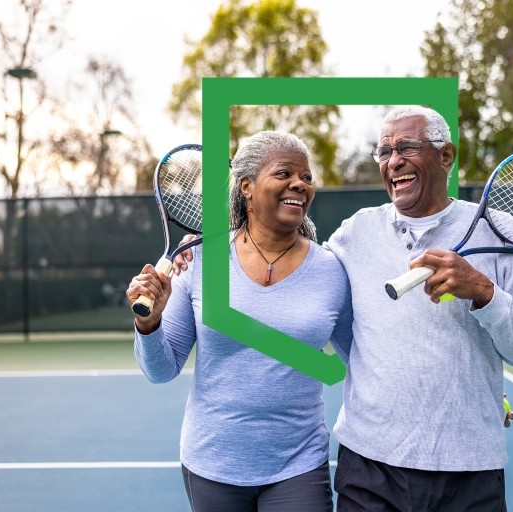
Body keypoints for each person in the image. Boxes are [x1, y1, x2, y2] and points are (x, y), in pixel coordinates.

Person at [325, 105, 513, 511]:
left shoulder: (502, 232)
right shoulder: (354, 233)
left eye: (406, 147)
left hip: (469, 469)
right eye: (384, 152)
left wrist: (483, 292)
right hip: (369, 468)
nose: (393, 161)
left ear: (446, 156)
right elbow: (307, 284)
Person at [126, 131, 353, 512]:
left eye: (307, 178)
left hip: (298, 463)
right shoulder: (199, 261)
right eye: (285, 173)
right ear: (246, 186)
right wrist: (149, 325)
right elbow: (161, 370)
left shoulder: (332, 269)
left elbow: (361, 361)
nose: (300, 184)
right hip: (211, 463)